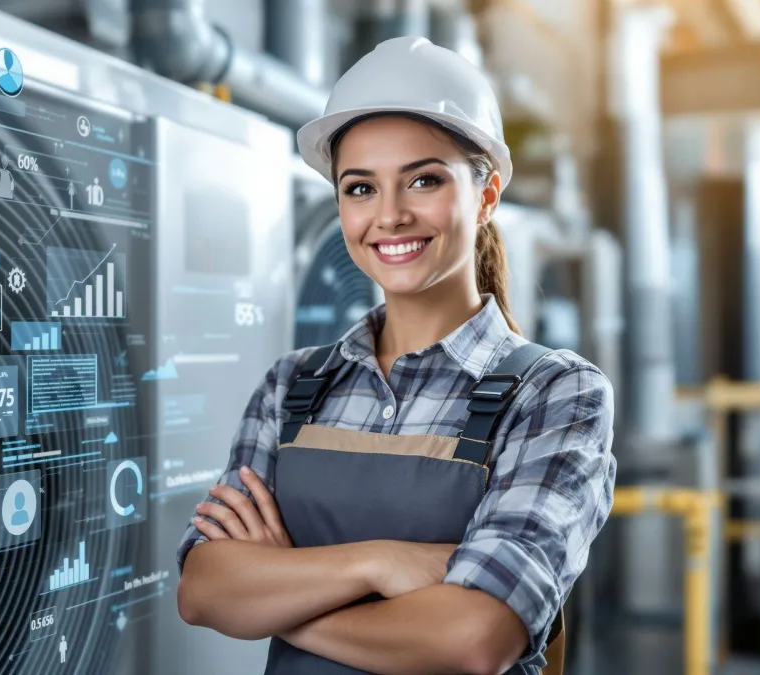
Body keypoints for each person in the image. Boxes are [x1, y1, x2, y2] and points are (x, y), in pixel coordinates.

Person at [175, 36, 616, 675]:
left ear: (487, 195)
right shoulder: (293, 384)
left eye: (424, 180)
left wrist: (278, 592)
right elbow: (203, 591)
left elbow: (473, 641)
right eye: (360, 188)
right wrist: (380, 562)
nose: (390, 215)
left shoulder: (556, 394)